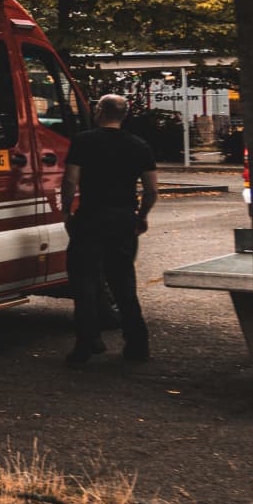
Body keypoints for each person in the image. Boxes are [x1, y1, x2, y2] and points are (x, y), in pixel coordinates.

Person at [63, 92, 159, 365]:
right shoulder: (139, 145)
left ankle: (87, 342)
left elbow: (70, 181)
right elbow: (151, 189)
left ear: (99, 112)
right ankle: (137, 343)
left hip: (91, 218)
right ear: (124, 115)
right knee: (123, 282)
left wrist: (66, 211)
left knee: (85, 281)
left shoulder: (82, 141)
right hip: (123, 219)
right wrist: (141, 215)